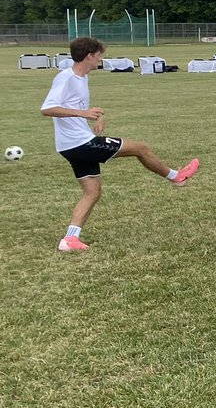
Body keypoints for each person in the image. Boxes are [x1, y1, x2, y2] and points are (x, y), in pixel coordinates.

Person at [41, 36, 199, 252]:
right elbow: (47, 108)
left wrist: (95, 116)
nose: (100, 59)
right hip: (80, 144)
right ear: (89, 55)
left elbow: (74, 107)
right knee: (140, 148)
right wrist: (83, 113)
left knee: (92, 192)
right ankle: (176, 176)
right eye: (99, 55)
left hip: (71, 146)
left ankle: (70, 239)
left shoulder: (81, 78)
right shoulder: (66, 77)